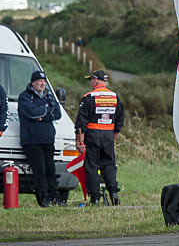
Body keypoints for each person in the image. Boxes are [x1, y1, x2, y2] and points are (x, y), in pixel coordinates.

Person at [75, 70, 124, 205]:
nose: (90, 82)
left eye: (91, 80)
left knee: (91, 166)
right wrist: (113, 135)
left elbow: (81, 122)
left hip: (92, 135)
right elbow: (120, 119)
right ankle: (113, 193)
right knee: (109, 164)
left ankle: (95, 197)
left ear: (95, 80)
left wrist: (80, 141)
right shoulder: (114, 96)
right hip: (108, 135)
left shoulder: (89, 97)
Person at [18, 71, 63, 207]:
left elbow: (57, 113)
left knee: (51, 170)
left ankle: (55, 198)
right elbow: (31, 113)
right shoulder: (24, 97)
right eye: (39, 81)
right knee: (40, 171)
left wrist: (42, 115)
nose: (42, 83)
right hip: (32, 141)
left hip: (48, 139)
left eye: (44, 81)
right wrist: (46, 112)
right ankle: (44, 198)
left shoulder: (49, 96)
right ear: (33, 82)